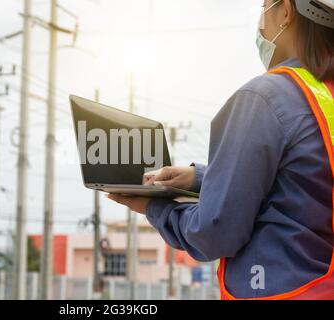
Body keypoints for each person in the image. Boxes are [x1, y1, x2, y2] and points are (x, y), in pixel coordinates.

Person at [107, 0, 334, 299]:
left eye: (264, 6)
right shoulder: (325, 96)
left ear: (287, 12)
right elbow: (300, 182)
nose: (261, 19)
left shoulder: (265, 97)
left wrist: (155, 207)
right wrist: (199, 178)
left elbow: (214, 232)